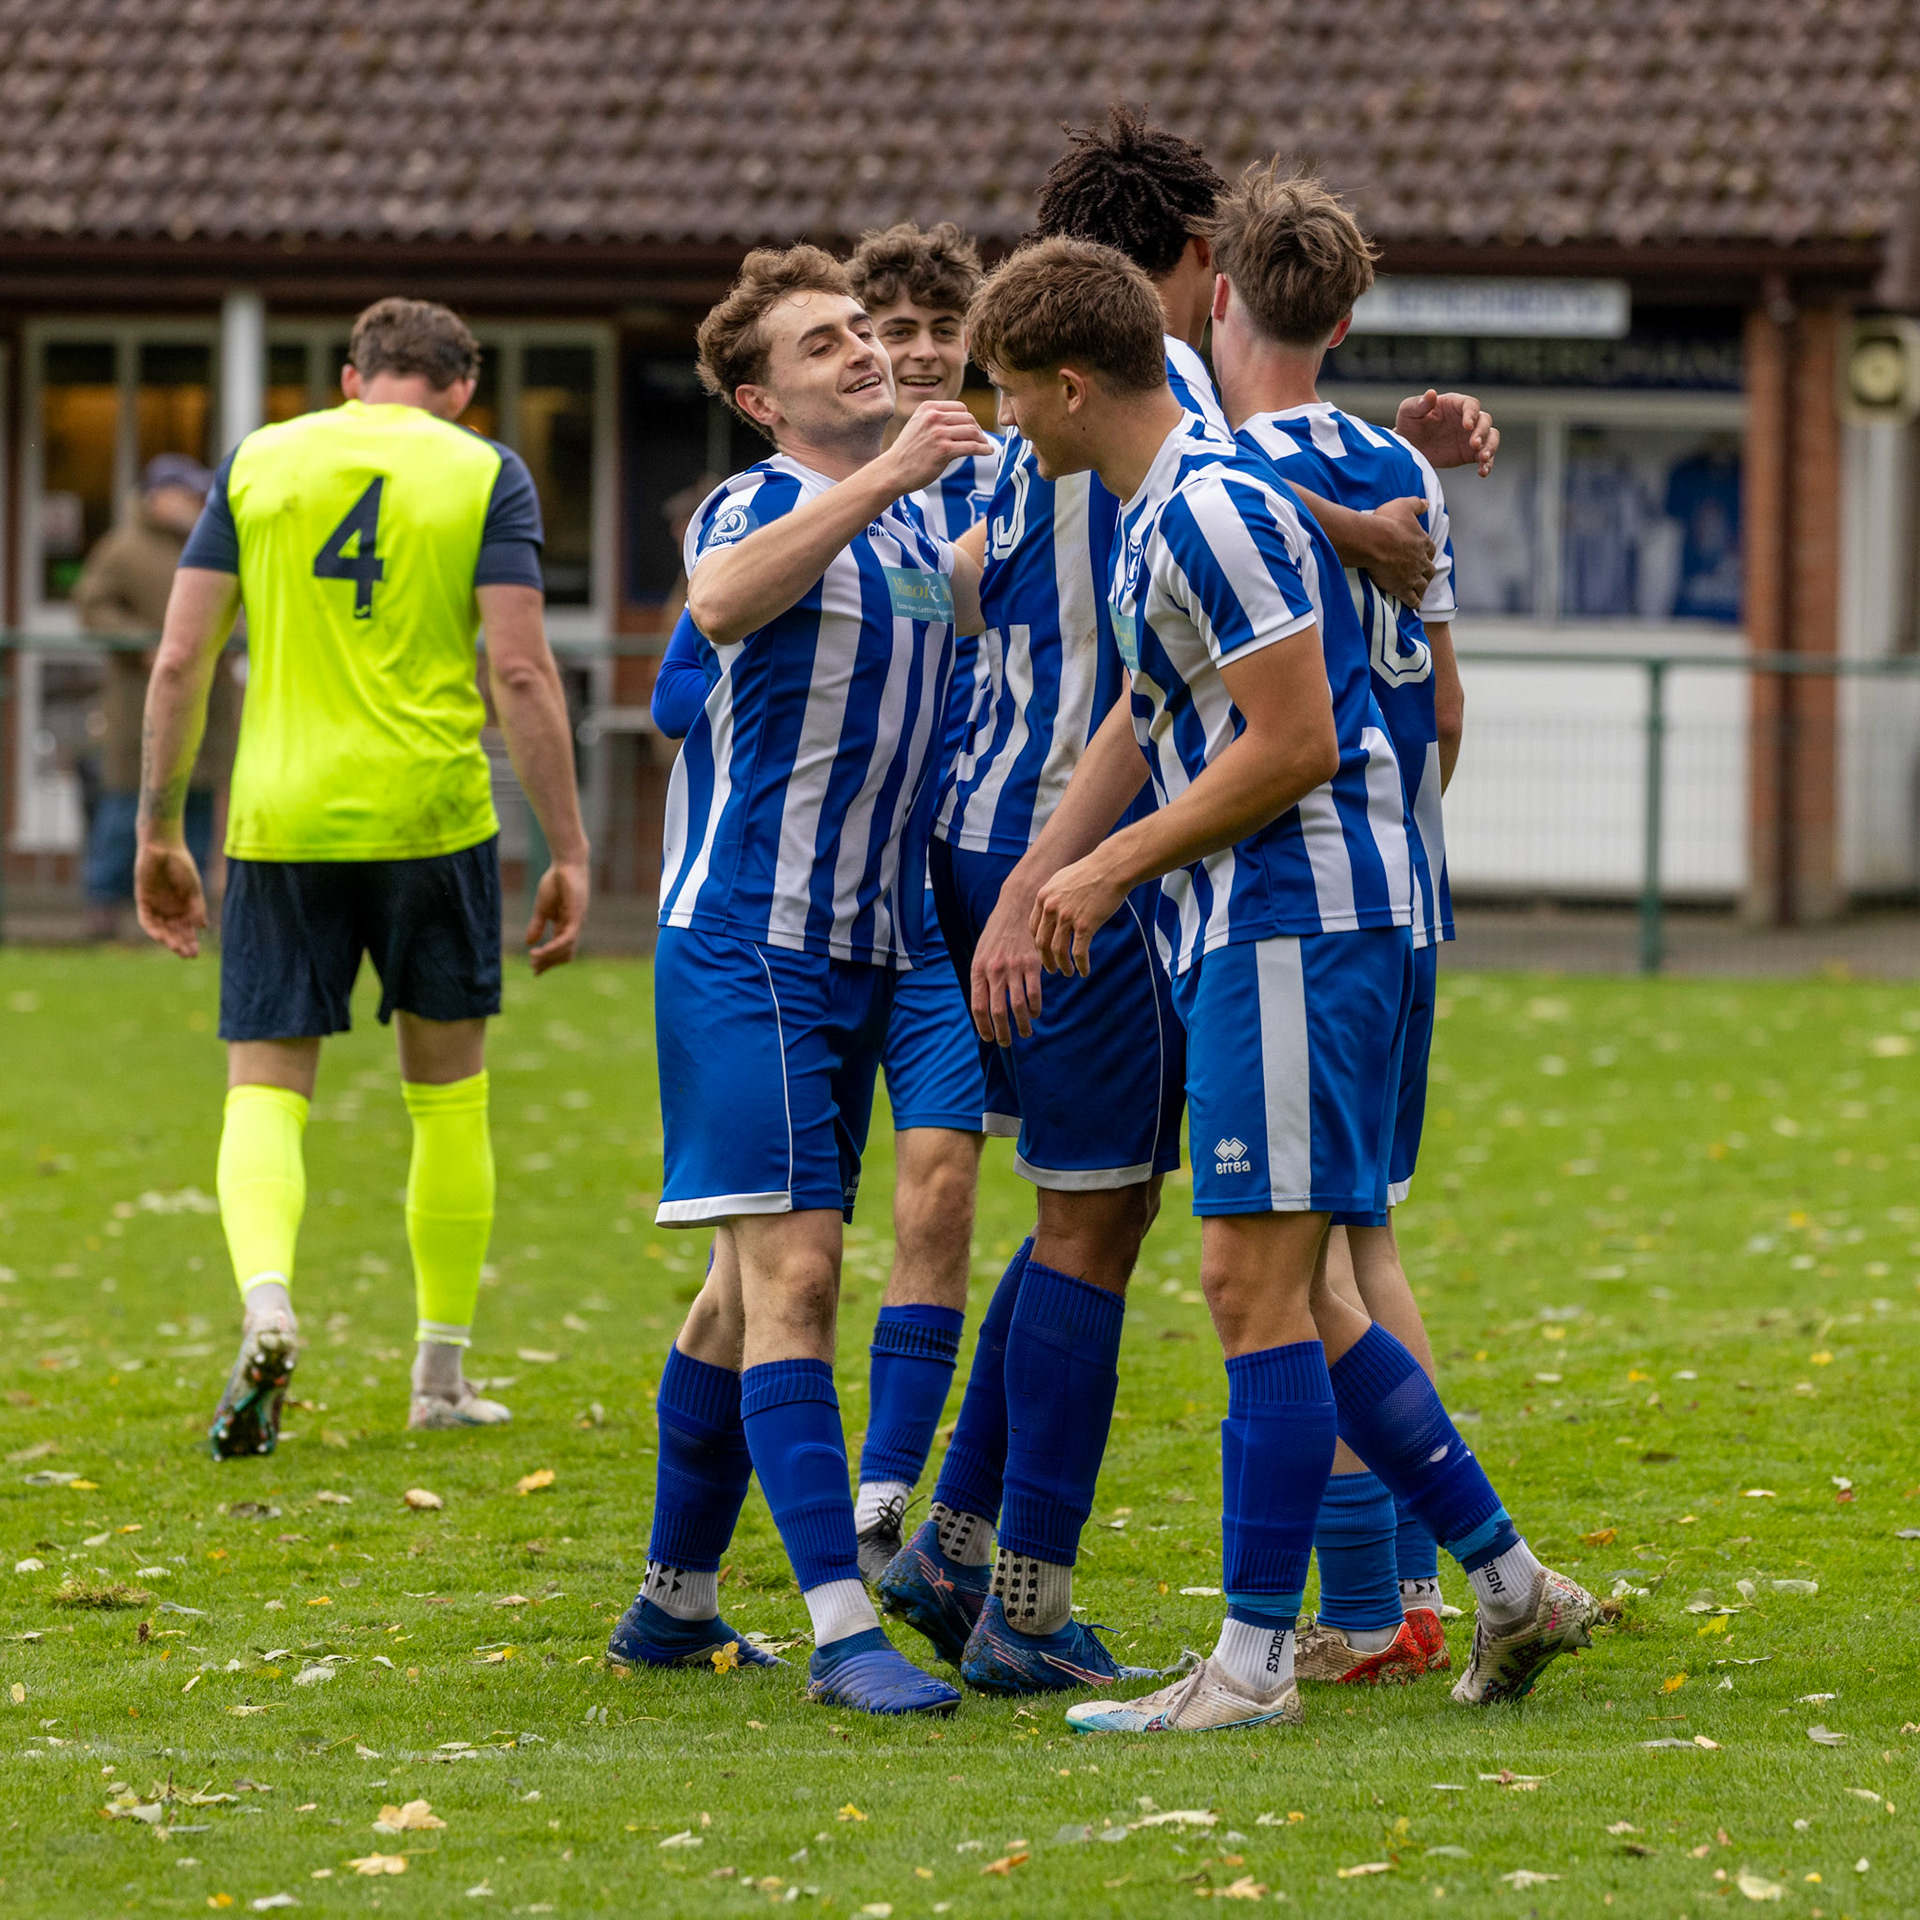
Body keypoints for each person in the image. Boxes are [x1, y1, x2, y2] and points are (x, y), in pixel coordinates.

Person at [881, 104, 1501, 1701]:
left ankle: (978, 1546)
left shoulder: (1107, 425)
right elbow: (1276, 571)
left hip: (1054, 833)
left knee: (1133, 1221)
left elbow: (1019, 579)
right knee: (1244, 1243)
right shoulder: (1173, 410)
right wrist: (1390, 508)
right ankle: (1324, 1599)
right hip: (1146, 851)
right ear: (1197, 263)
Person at [967, 235, 1594, 1735]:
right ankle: (1512, 1586)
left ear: (1071, 384)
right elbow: (1160, 721)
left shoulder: (1206, 508)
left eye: (1009, 392)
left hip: (1296, 923)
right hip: (1265, 928)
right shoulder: (1164, 513)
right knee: (1301, 1288)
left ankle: (1253, 1667)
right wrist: (1070, 867)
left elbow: (1299, 738)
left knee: (1252, 1286)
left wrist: (1107, 870)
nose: (1002, 423)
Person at [609, 245, 994, 1717]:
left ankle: (674, 1605)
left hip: (875, 944)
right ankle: (844, 1631)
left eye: (861, 331)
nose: (863, 351)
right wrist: (890, 475)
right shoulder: (757, 502)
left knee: (739, 1289)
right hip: (747, 944)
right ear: (760, 400)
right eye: (823, 343)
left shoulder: (920, 528)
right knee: (801, 1274)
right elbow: (715, 607)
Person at [134, 296, 590, 1456]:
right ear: (461, 391)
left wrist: (159, 831)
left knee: (264, 1089)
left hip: (280, 820)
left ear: (351, 378)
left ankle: (268, 1306)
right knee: (448, 1099)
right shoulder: (484, 471)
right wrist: (569, 848)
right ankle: (438, 1374)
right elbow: (521, 673)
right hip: (433, 818)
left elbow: (181, 657)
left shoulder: (259, 461)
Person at [1227, 166, 1468, 1687]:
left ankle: (1372, 1606)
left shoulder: (1218, 474)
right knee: (1365, 1237)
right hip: (1406, 886)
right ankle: (1423, 1588)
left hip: (1296, 894)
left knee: (1296, 1266)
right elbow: (1448, 699)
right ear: (1349, 315)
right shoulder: (1405, 472)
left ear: (1221, 298)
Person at [76, 453, 235, 940]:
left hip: (207, 699)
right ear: (155, 497)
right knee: (129, 803)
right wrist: (143, 643)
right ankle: (103, 905)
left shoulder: (211, 541)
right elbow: (92, 606)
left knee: (199, 801)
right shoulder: (122, 549)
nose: (193, 502)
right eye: (183, 494)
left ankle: (187, 902)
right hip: (138, 701)